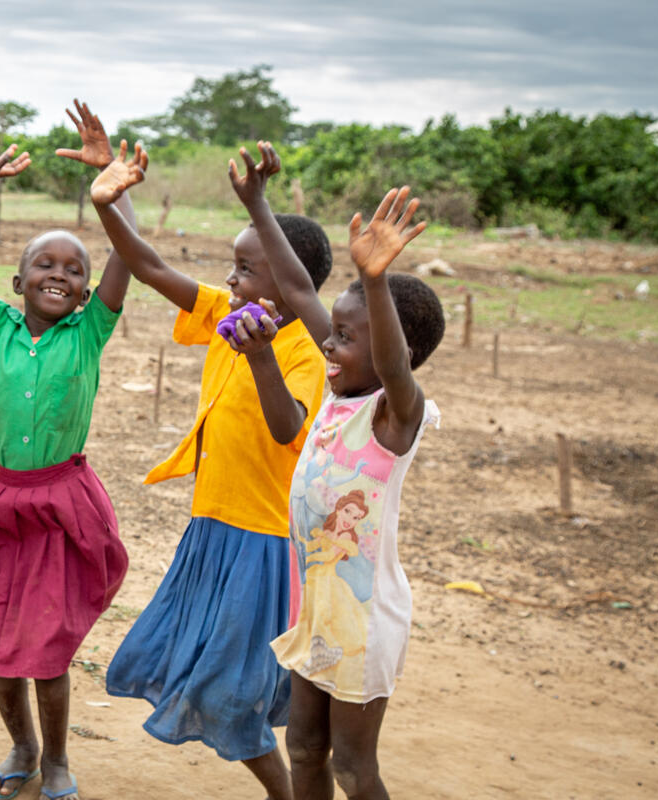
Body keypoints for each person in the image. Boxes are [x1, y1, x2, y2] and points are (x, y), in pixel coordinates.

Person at [92, 141, 332, 800]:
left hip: (262, 544)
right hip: (211, 531)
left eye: (246, 269)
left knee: (233, 690)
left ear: (291, 282)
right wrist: (109, 193)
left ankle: (291, 790)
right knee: (199, 674)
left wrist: (260, 358)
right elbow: (145, 263)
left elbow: (288, 428)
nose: (231, 281)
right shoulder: (227, 317)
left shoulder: (307, 351)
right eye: (232, 267)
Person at [0, 103, 141, 800]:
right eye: (42, 265)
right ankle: (19, 747)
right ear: (15, 284)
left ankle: (56, 761)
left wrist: (112, 181)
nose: (60, 274)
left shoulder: (89, 331)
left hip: (62, 503)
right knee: (1, 641)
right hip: (2, 504)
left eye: (73, 269)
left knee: (46, 653)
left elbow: (129, 256)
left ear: (85, 291)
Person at [234, 143, 445, 800]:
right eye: (334, 330)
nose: (329, 342)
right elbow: (297, 288)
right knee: (303, 747)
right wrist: (257, 204)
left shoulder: (394, 416)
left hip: (365, 619)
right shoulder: (338, 390)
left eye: (347, 337)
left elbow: (391, 361)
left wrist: (376, 282)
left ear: (387, 350)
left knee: (354, 767)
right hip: (318, 603)